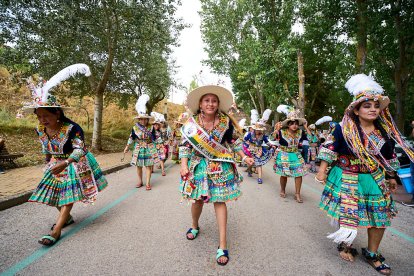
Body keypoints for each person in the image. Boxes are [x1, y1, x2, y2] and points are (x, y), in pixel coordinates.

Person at [315, 74, 414, 275]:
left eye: (376, 106)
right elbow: (330, 148)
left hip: (374, 178)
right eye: (367, 105)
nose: (373, 109)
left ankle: (372, 253)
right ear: (357, 110)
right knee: (348, 213)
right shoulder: (342, 129)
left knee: (380, 216)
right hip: (347, 175)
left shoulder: (383, 131)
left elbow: (389, 155)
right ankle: (345, 244)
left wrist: (392, 176)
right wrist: (322, 170)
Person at [23, 64, 108, 246]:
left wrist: (67, 162)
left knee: (67, 196)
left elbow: (79, 148)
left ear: (57, 113)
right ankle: (67, 218)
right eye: (39, 116)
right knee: (52, 193)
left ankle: (56, 230)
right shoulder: (40, 129)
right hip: (56, 162)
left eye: (46, 115)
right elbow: (46, 147)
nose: (42, 120)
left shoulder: (72, 128)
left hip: (74, 162)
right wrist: (48, 162)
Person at [179, 85, 254, 266]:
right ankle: (195, 225)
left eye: (214, 101)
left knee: (220, 202)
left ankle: (222, 244)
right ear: (200, 103)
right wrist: (183, 165)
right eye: (207, 100)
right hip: (197, 166)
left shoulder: (225, 122)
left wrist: (244, 156)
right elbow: (184, 146)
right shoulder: (192, 123)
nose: (210, 104)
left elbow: (233, 142)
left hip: (220, 167)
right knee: (197, 201)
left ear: (218, 104)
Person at [273, 105, 311, 203]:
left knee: (299, 174)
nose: (294, 125)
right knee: (284, 174)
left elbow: (311, 139)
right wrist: (275, 130)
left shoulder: (301, 132)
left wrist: (306, 127)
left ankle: (297, 194)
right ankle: (282, 189)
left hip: (296, 155)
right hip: (284, 154)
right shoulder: (281, 132)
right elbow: (273, 138)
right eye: (292, 123)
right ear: (288, 124)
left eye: (296, 123)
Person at [124, 94, 159, 190]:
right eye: (141, 119)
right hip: (138, 148)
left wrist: (160, 145)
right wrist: (127, 146)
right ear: (139, 119)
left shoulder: (151, 127)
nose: (143, 120)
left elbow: (155, 137)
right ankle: (140, 181)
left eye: (144, 119)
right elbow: (131, 137)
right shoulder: (135, 128)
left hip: (149, 147)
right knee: (138, 166)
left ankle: (148, 183)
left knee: (148, 165)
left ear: (147, 119)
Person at [243, 109, 274, 184]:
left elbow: (267, 142)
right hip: (251, 150)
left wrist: (272, 145)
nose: (258, 131)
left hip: (259, 151)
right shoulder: (250, 134)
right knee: (251, 163)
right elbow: (244, 140)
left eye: (259, 130)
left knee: (259, 163)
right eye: (256, 129)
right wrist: (248, 145)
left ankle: (259, 178)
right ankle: (249, 170)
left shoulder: (263, 136)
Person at [151, 112, 167, 176]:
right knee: (152, 158)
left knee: (161, 158)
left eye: (157, 125)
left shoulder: (160, 132)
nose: (156, 126)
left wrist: (163, 145)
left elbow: (162, 139)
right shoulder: (151, 132)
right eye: (155, 125)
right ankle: (151, 169)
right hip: (152, 146)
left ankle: (163, 171)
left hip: (160, 146)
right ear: (153, 125)